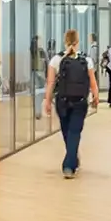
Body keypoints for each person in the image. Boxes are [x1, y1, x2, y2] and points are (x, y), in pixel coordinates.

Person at [42, 29, 100, 179]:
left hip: (62, 102)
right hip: (80, 102)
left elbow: (50, 83)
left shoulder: (56, 59)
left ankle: (70, 161)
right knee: (75, 132)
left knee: (67, 133)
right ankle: (70, 163)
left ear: (65, 41)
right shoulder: (86, 60)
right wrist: (96, 96)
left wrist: (47, 101)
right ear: (77, 42)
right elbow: (93, 82)